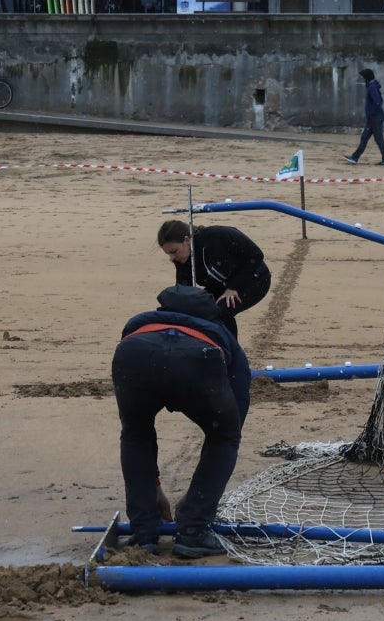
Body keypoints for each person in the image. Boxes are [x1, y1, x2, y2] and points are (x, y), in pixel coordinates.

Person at [105, 285, 251, 558]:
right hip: (199, 360)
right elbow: (239, 406)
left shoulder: (144, 320)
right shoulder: (221, 333)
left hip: (135, 353)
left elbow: (132, 352)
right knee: (224, 437)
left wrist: (155, 488)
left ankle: (144, 535)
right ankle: (193, 532)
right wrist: (198, 498)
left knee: (136, 434)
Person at [157, 219, 272, 337]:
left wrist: (234, 287)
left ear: (187, 240)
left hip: (253, 279)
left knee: (220, 312)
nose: (172, 258)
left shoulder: (217, 235)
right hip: (220, 286)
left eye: (174, 252)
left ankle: (229, 351)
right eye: (169, 254)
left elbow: (256, 255)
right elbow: (184, 290)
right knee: (197, 310)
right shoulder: (181, 259)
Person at [343, 68, 384, 167]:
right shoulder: (371, 86)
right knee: (364, 137)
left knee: (379, 139)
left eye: (363, 77)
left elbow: (378, 102)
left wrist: (371, 113)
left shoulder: (372, 87)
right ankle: (355, 157)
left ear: (367, 78)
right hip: (372, 118)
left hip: (375, 118)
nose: (362, 79)